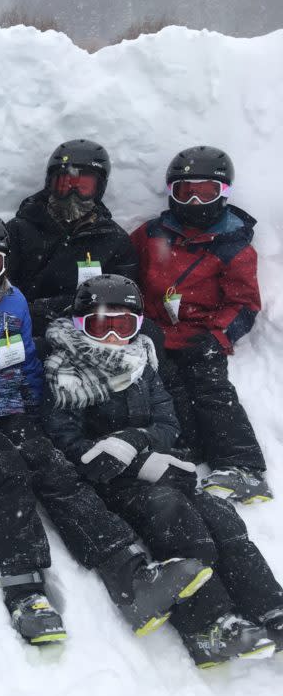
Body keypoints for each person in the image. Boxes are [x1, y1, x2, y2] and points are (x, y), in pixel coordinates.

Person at [0, 211, 210, 645]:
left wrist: (37, 407)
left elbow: (28, 364)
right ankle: (25, 593)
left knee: (58, 473)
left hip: (9, 404)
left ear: (3, 266)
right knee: (7, 475)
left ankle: (129, 575)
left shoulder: (13, 302)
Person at [43, 274, 280, 667]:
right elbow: (67, 442)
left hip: (152, 465)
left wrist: (138, 443)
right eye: (103, 325)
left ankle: (271, 608)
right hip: (108, 483)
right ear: (80, 324)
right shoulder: (63, 373)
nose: (116, 335)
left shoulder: (142, 363)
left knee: (221, 517)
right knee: (173, 511)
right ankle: (209, 626)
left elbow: (168, 424)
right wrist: (129, 458)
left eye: (125, 325)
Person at [131, 147, 271, 503]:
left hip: (201, 334)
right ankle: (188, 452)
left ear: (223, 194)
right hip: (155, 332)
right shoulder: (151, 235)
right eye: (184, 191)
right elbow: (124, 272)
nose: (194, 201)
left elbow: (244, 303)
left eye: (205, 192)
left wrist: (218, 335)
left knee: (210, 389)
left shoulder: (232, 245)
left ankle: (243, 467)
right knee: (162, 389)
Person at [6, 139, 139, 335]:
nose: (72, 194)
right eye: (65, 185)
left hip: (88, 332)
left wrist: (67, 308)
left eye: (83, 187)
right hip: (25, 328)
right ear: (50, 183)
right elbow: (0, 290)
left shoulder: (114, 240)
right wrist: (34, 312)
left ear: (99, 189)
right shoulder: (19, 230)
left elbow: (121, 300)